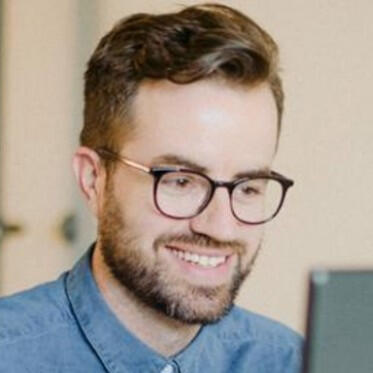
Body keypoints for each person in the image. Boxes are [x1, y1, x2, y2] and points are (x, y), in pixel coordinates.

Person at [0, 3, 303, 372]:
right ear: (94, 179)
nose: (222, 227)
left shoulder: (291, 361)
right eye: (181, 181)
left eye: (248, 188)